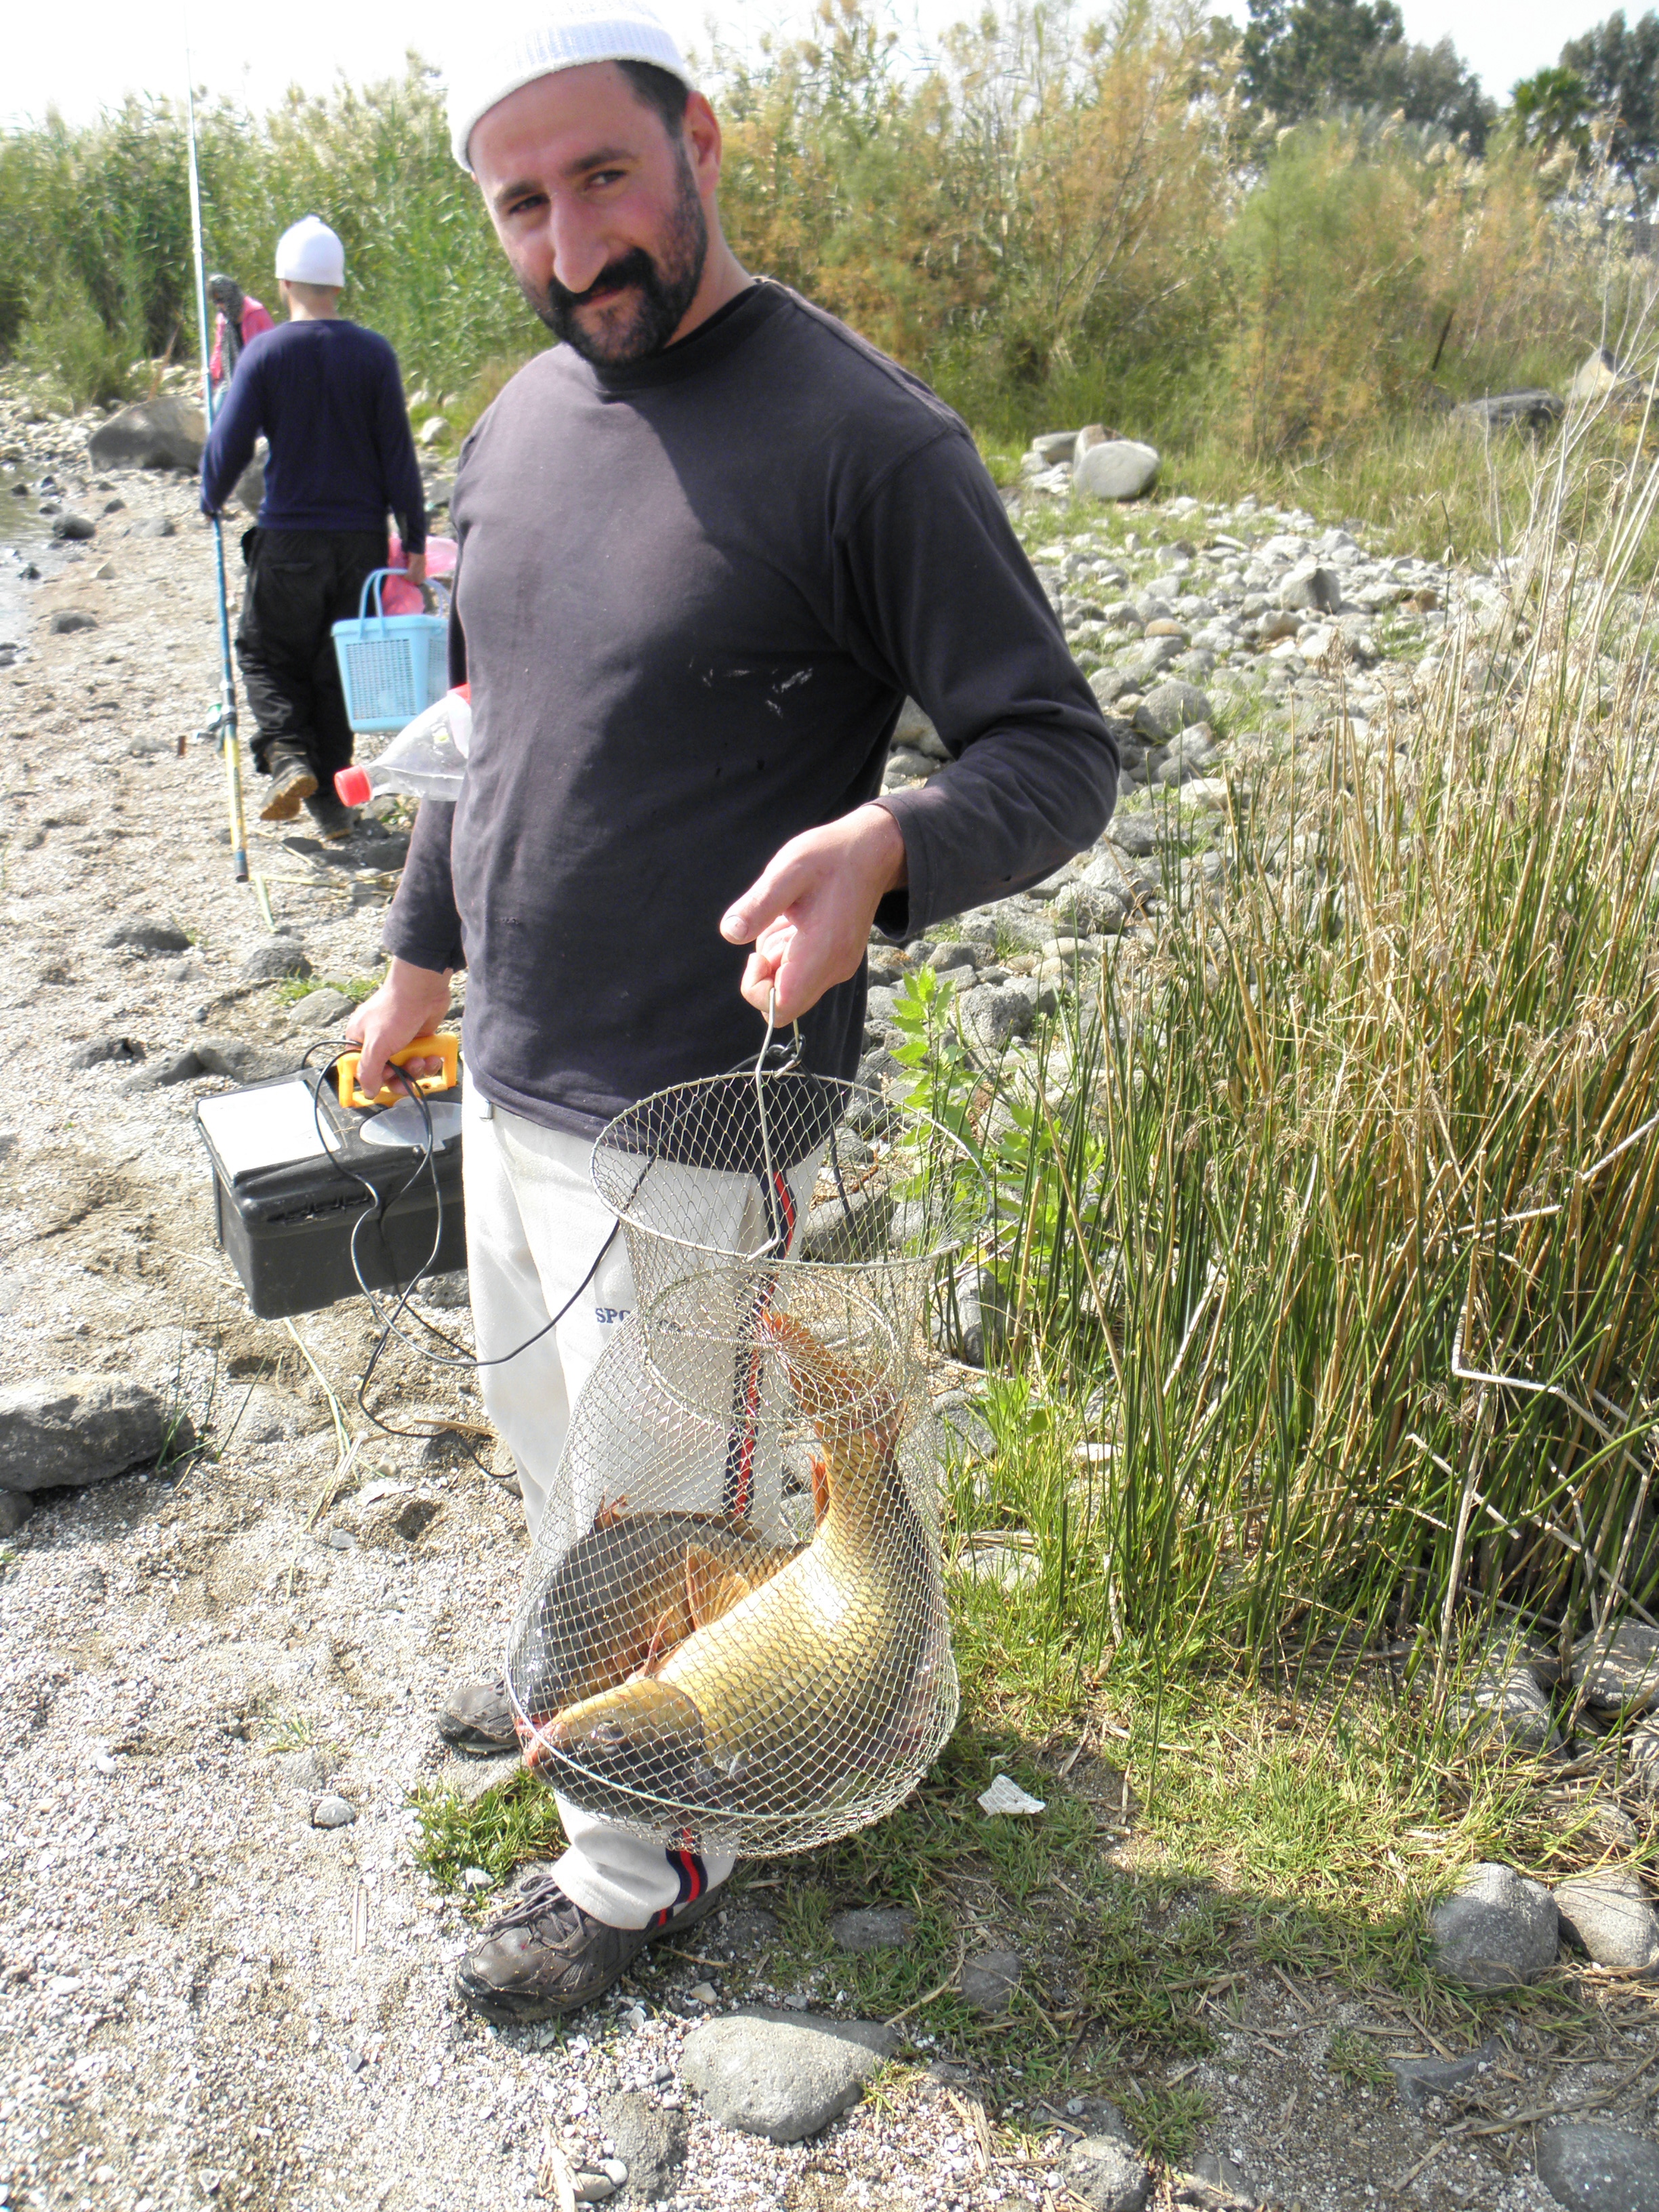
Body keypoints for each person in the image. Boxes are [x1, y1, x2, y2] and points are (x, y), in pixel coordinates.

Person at [344, 0, 1118, 2024]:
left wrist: (890, 846)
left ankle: (642, 1862)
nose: (569, 239)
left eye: (603, 176)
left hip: (704, 1105)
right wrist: (421, 960)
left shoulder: (868, 440)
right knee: (554, 1445)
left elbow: (1055, 749)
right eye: (522, 203)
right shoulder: (516, 424)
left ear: (700, 142)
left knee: (684, 1490)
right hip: (512, 1076)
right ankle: (590, 1673)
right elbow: (492, 731)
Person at [200, 216, 428, 840]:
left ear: (283, 283)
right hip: (360, 543)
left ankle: (287, 755)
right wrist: (413, 538)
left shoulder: (267, 352)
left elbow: (230, 444)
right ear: (339, 284)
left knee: (265, 652)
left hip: (290, 537)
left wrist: (210, 497)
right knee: (333, 668)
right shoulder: (374, 353)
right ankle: (332, 803)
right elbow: (398, 454)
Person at [207, 274, 274, 396]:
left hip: (258, 378)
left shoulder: (256, 312)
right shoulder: (223, 318)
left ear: (230, 295)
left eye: (220, 300)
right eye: (215, 301)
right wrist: (211, 377)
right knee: (218, 407)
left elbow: (273, 345)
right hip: (232, 377)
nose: (218, 305)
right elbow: (219, 349)